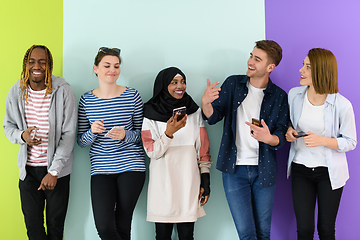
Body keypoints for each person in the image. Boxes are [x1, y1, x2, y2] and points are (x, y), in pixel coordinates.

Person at [201, 40, 289, 240]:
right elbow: (214, 116)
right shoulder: (233, 83)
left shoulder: (279, 96)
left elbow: (281, 135)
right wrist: (206, 103)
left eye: (257, 59)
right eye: (251, 56)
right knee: (246, 234)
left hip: (264, 170)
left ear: (270, 67)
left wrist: (269, 138)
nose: (250, 61)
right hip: (234, 170)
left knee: (263, 233)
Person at [3, 45, 77, 240]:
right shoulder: (16, 91)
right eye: (32, 61)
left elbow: (69, 134)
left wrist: (54, 171)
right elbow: (8, 126)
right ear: (26, 65)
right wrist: (22, 136)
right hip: (28, 172)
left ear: (49, 65)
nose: (37, 66)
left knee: (55, 227)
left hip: (57, 171)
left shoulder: (63, 91)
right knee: (33, 229)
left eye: (42, 61)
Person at [286, 48, 357, 240]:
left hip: (329, 173)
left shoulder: (342, 105)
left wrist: (322, 141)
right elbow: (291, 122)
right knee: (305, 230)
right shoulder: (293, 95)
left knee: (326, 229)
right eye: (303, 64)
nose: (301, 70)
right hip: (300, 169)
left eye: (307, 67)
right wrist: (289, 131)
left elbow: (351, 142)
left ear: (321, 71)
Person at [77, 47, 146, 240]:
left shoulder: (132, 95)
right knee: (105, 227)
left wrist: (125, 135)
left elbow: (144, 135)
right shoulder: (86, 100)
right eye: (107, 65)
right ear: (96, 68)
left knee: (123, 226)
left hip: (131, 166)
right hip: (101, 169)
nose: (112, 70)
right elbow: (81, 141)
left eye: (116, 66)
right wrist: (92, 132)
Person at [141, 67, 212, 240]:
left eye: (182, 81)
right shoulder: (149, 113)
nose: (180, 86)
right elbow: (152, 151)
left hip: (189, 184)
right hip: (162, 187)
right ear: (163, 85)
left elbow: (202, 151)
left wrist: (206, 180)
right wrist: (168, 133)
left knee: (187, 236)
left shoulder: (193, 112)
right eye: (174, 82)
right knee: (162, 236)